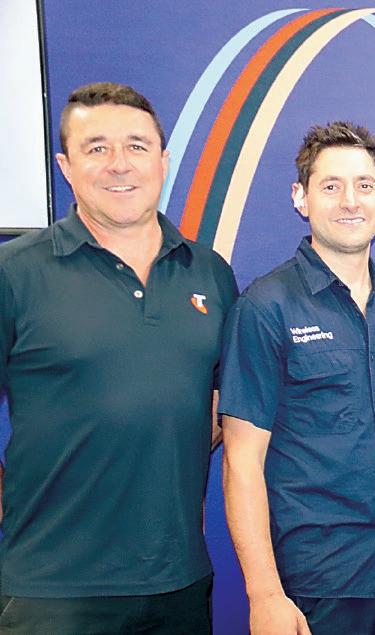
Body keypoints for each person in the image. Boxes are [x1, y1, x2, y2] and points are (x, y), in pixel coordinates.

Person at [0, 82, 237, 633]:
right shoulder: (15, 273)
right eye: (96, 148)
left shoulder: (210, 274)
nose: (119, 164)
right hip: (50, 592)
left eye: (136, 145)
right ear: (65, 165)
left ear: (162, 161)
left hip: (179, 584)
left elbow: (223, 405)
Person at [219, 122, 375, 635]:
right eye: (331, 186)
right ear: (301, 197)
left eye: (364, 185)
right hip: (317, 581)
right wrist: (264, 594)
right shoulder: (266, 306)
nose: (350, 201)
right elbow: (241, 461)